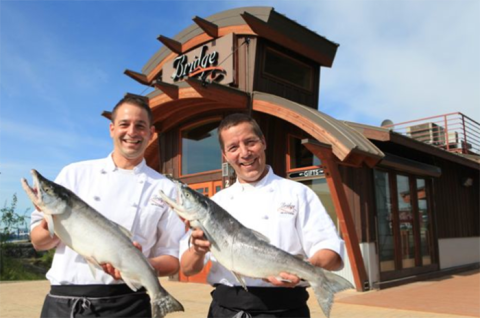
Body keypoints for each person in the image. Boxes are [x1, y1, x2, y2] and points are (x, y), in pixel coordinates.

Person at [30, 95, 185, 318]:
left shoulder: (166, 189)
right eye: (124, 124)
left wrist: (137, 264)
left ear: (151, 133)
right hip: (65, 303)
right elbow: (38, 242)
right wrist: (52, 219)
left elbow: (172, 259)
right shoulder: (74, 173)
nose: (132, 132)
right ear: (112, 129)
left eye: (140, 126)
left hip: (130, 305)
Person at [180, 113, 345, 318]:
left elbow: (332, 253)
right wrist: (197, 250)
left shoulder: (298, 193)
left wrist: (304, 270)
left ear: (263, 142)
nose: (244, 153)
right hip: (226, 310)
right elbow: (187, 269)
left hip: (285, 310)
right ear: (225, 155)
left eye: (250, 142)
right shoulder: (215, 204)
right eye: (233, 147)